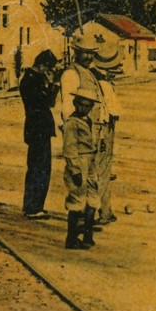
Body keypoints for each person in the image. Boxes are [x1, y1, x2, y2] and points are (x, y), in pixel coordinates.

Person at [19, 49, 60, 219]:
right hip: (37, 128)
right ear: (42, 66)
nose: (50, 72)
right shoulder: (30, 81)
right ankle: (33, 207)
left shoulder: (33, 79)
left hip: (39, 128)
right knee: (39, 168)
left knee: (41, 167)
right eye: (49, 68)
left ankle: (34, 205)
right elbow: (46, 102)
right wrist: (52, 85)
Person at [62, 87, 102, 250]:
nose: (84, 108)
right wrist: (75, 170)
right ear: (75, 103)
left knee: (93, 196)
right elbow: (69, 148)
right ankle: (71, 238)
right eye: (81, 105)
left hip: (91, 160)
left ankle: (87, 235)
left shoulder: (88, 120)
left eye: (88, 106)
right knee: (77, 198)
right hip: (79, 161)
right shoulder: (72, 123)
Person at [93, 43, 124, 225]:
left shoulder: (95, 80)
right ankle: (104, 212)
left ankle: (105, 210)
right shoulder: (105, 84)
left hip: (99, 128)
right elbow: (115, 111)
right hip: (104, 129)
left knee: (100, 171)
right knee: (103, 171)